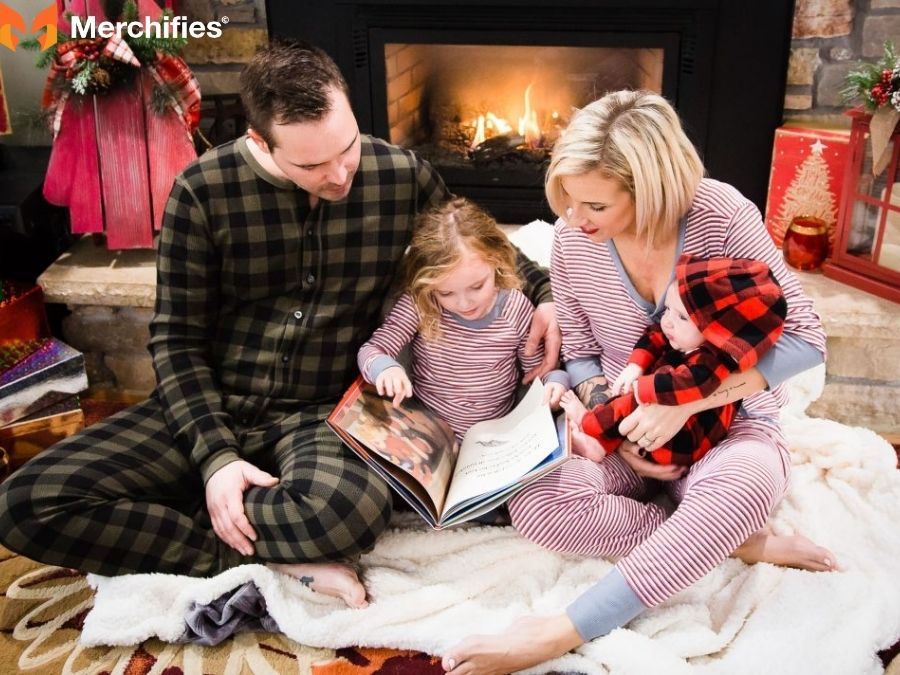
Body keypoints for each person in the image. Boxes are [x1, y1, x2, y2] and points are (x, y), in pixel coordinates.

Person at [0, 39, 559, 611]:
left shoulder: (401, 175)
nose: (339, 174)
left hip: (320, 418)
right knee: (25, 505)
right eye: (312, 165)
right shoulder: (202, 191)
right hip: (210, 404)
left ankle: (188, 522)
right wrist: (217, 460)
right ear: (258, 140)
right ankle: (260, 548)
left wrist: (543, 298)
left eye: (346, 147)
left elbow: (477, 247)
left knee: (352, 512)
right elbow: (177, 343)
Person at [441, 90, 835, 675]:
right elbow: (581, 355)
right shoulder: (573, 243)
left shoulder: (721, 216)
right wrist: (616, 417)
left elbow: (805, 339)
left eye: (595, 205)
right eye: (567, 200)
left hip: (730, 425)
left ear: (651, 189)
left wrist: (688, 402)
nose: (573, 219)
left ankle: (561, 629)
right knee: (535, 501)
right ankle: (722, 538)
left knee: (744, 484)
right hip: (626, 425)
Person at [560, 254, 787, 467]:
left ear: (715, 330)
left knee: (637, 398)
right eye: (668, 309)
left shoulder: (714, 360)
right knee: (641, 393)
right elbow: (654, 335)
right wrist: (635, 366)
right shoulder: (683, 336)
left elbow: (692, 383)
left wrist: (641, 388)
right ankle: (601, 443)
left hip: (685, 441)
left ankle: (590, 427)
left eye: (681, 317)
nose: (667, 321)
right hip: (653, 432)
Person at [358, 197, 545, 440]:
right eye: (446, 293)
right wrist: (386, 368)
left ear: (497, 260)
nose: (464, 304)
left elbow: (537, 373)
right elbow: (371, 350)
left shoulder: (515, 309)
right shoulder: (422, 303)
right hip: (427, 433)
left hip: (494, 436)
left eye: (477, 286)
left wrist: (556, 383)